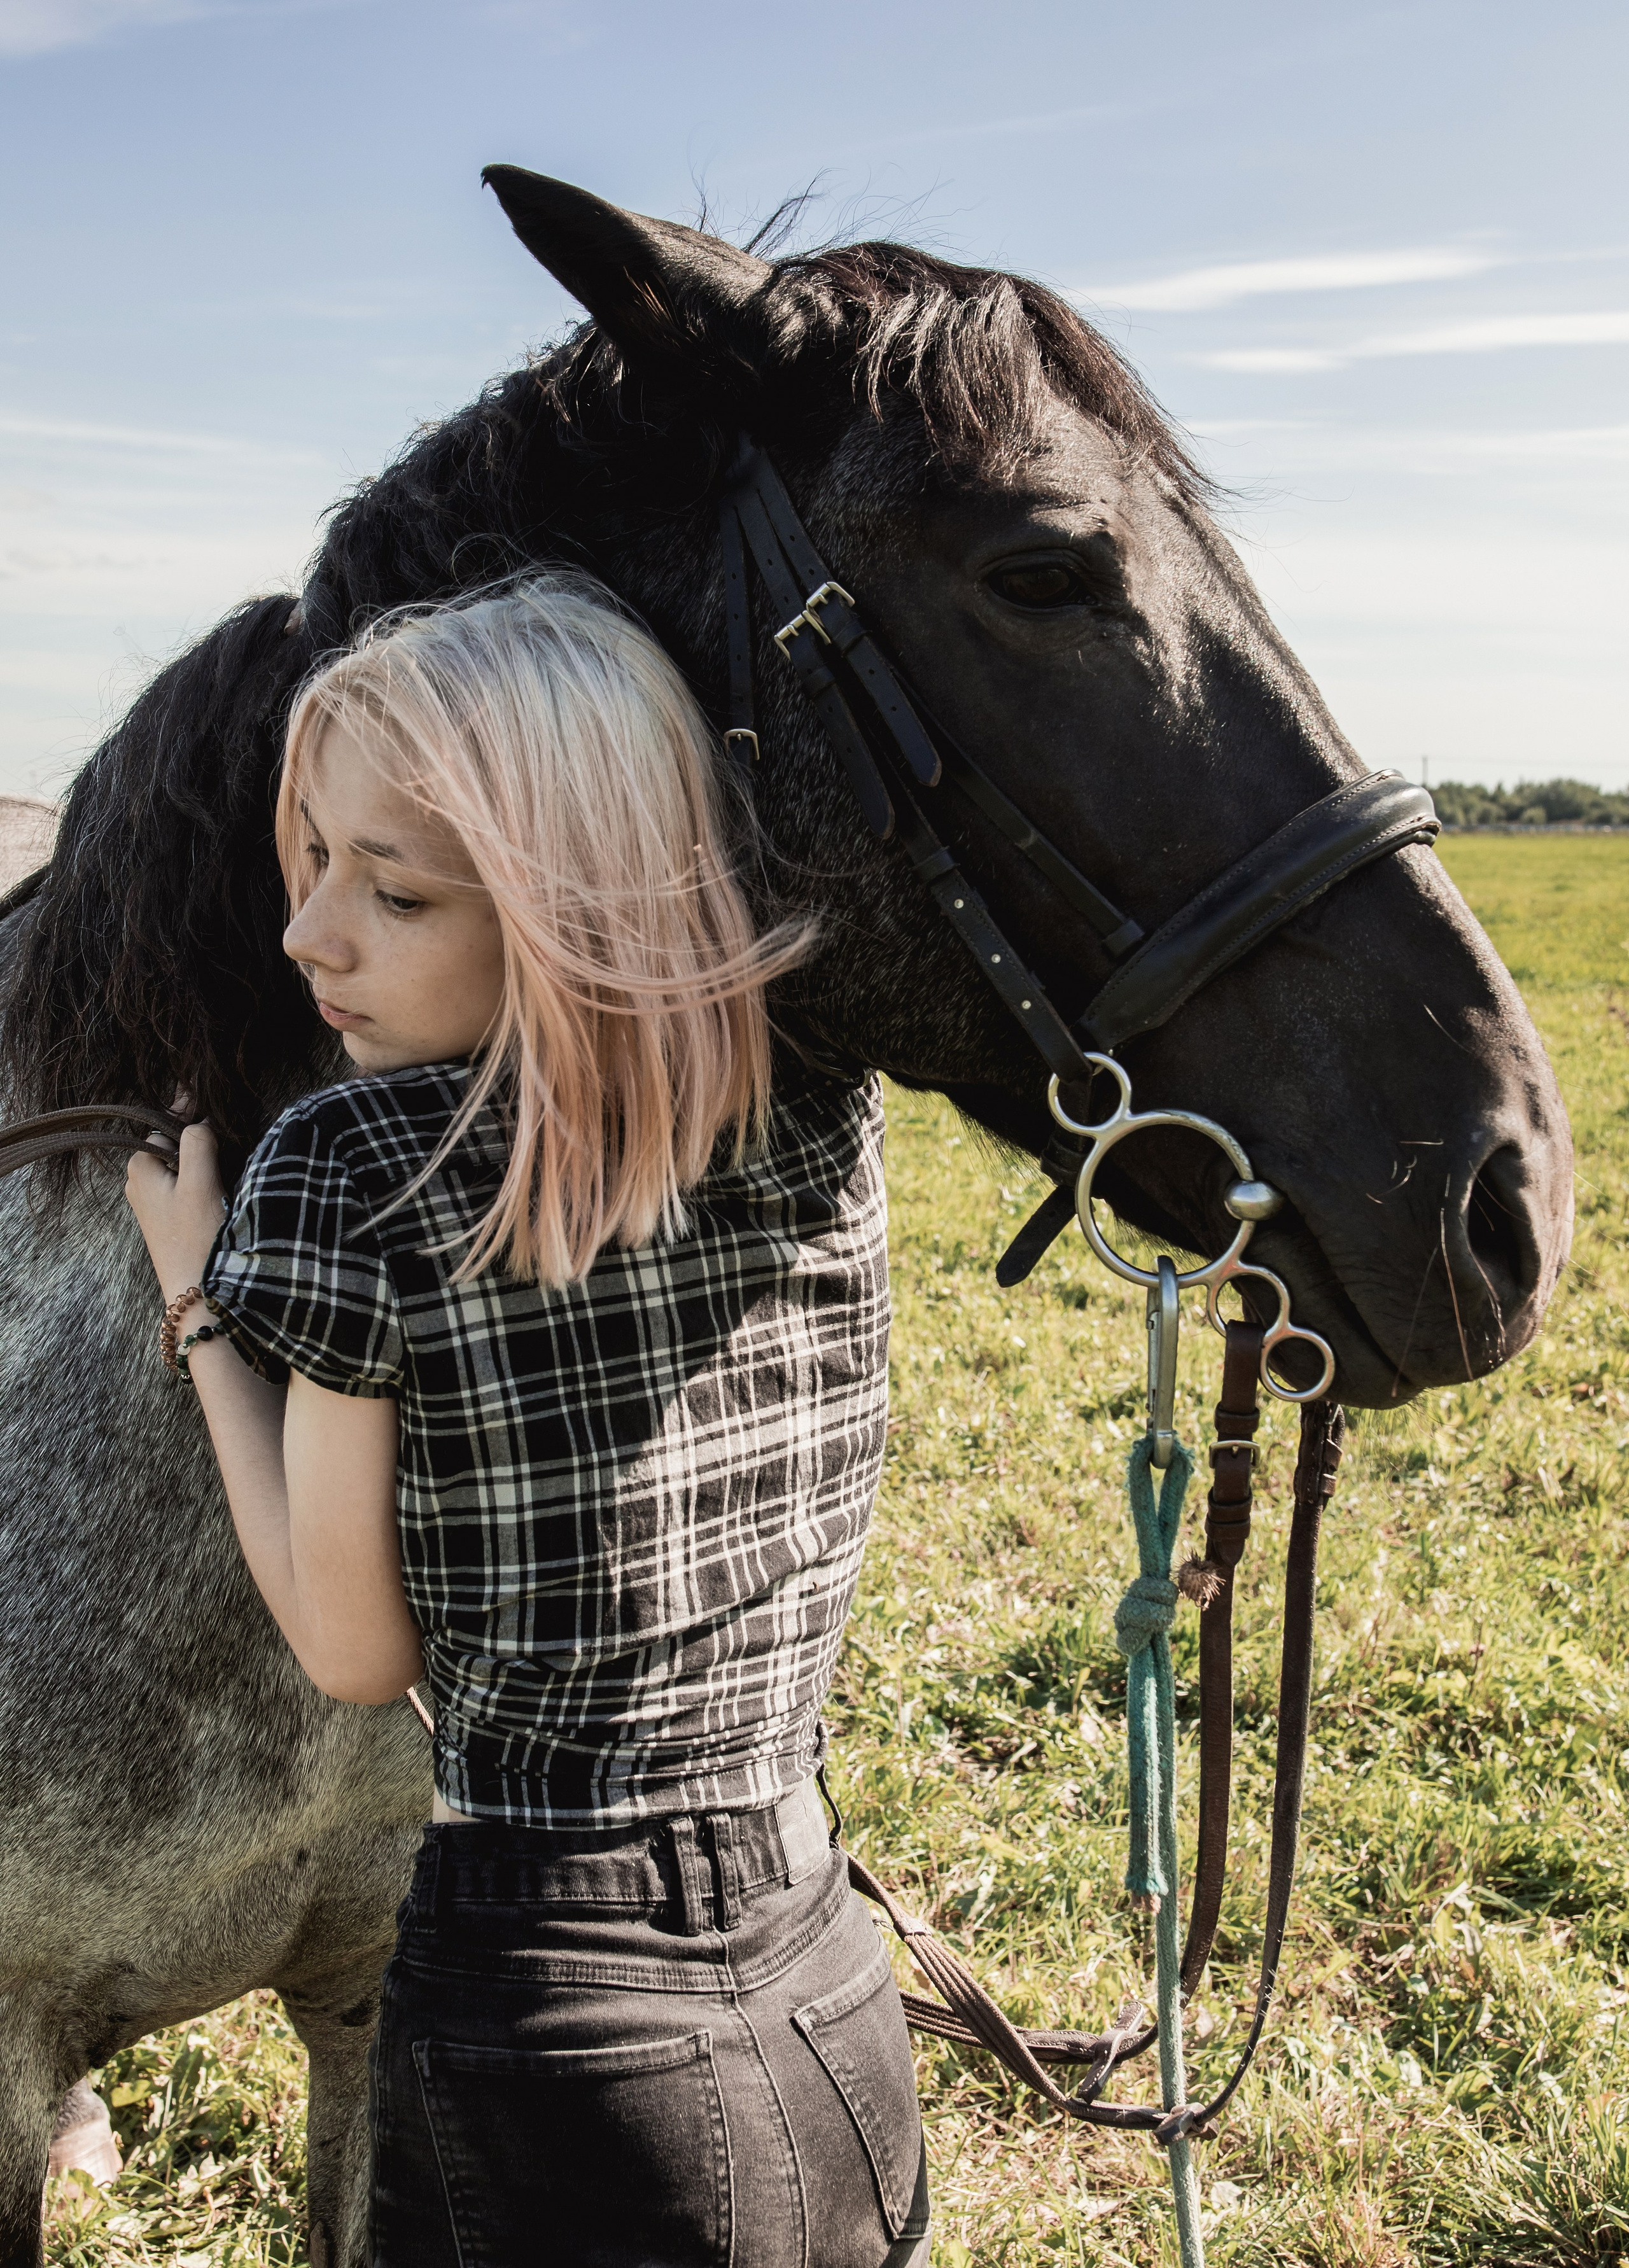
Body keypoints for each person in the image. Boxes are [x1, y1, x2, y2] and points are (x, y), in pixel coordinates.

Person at [125, 576, 930, 2268]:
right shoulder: (824, 1112)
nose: (310, 935)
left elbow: (354, 1648)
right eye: (312, 861)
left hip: (553, 2020)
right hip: (830, 1981)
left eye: (395, 890)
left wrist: (199, 1296)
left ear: (574, 910)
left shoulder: (353, 1172)